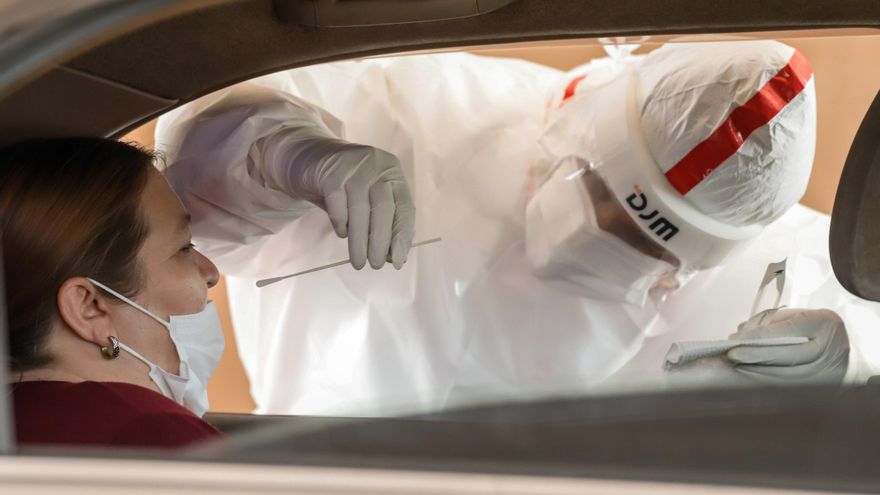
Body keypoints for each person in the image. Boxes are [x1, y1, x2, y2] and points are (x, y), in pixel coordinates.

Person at [156, 40, 874, 416]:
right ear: (579, 119)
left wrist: (846, 371)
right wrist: (283, 152)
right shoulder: (422, 111)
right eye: (601, 194)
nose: (594, 232)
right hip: (316, 470)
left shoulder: (782, 270)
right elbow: (192, 168)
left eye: (644, 239)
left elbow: (858, 336)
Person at [1, 137, 225, 448]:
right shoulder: (156, 434)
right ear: (89, 307)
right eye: (184, 248)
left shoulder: (17, 422)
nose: (211, 272)